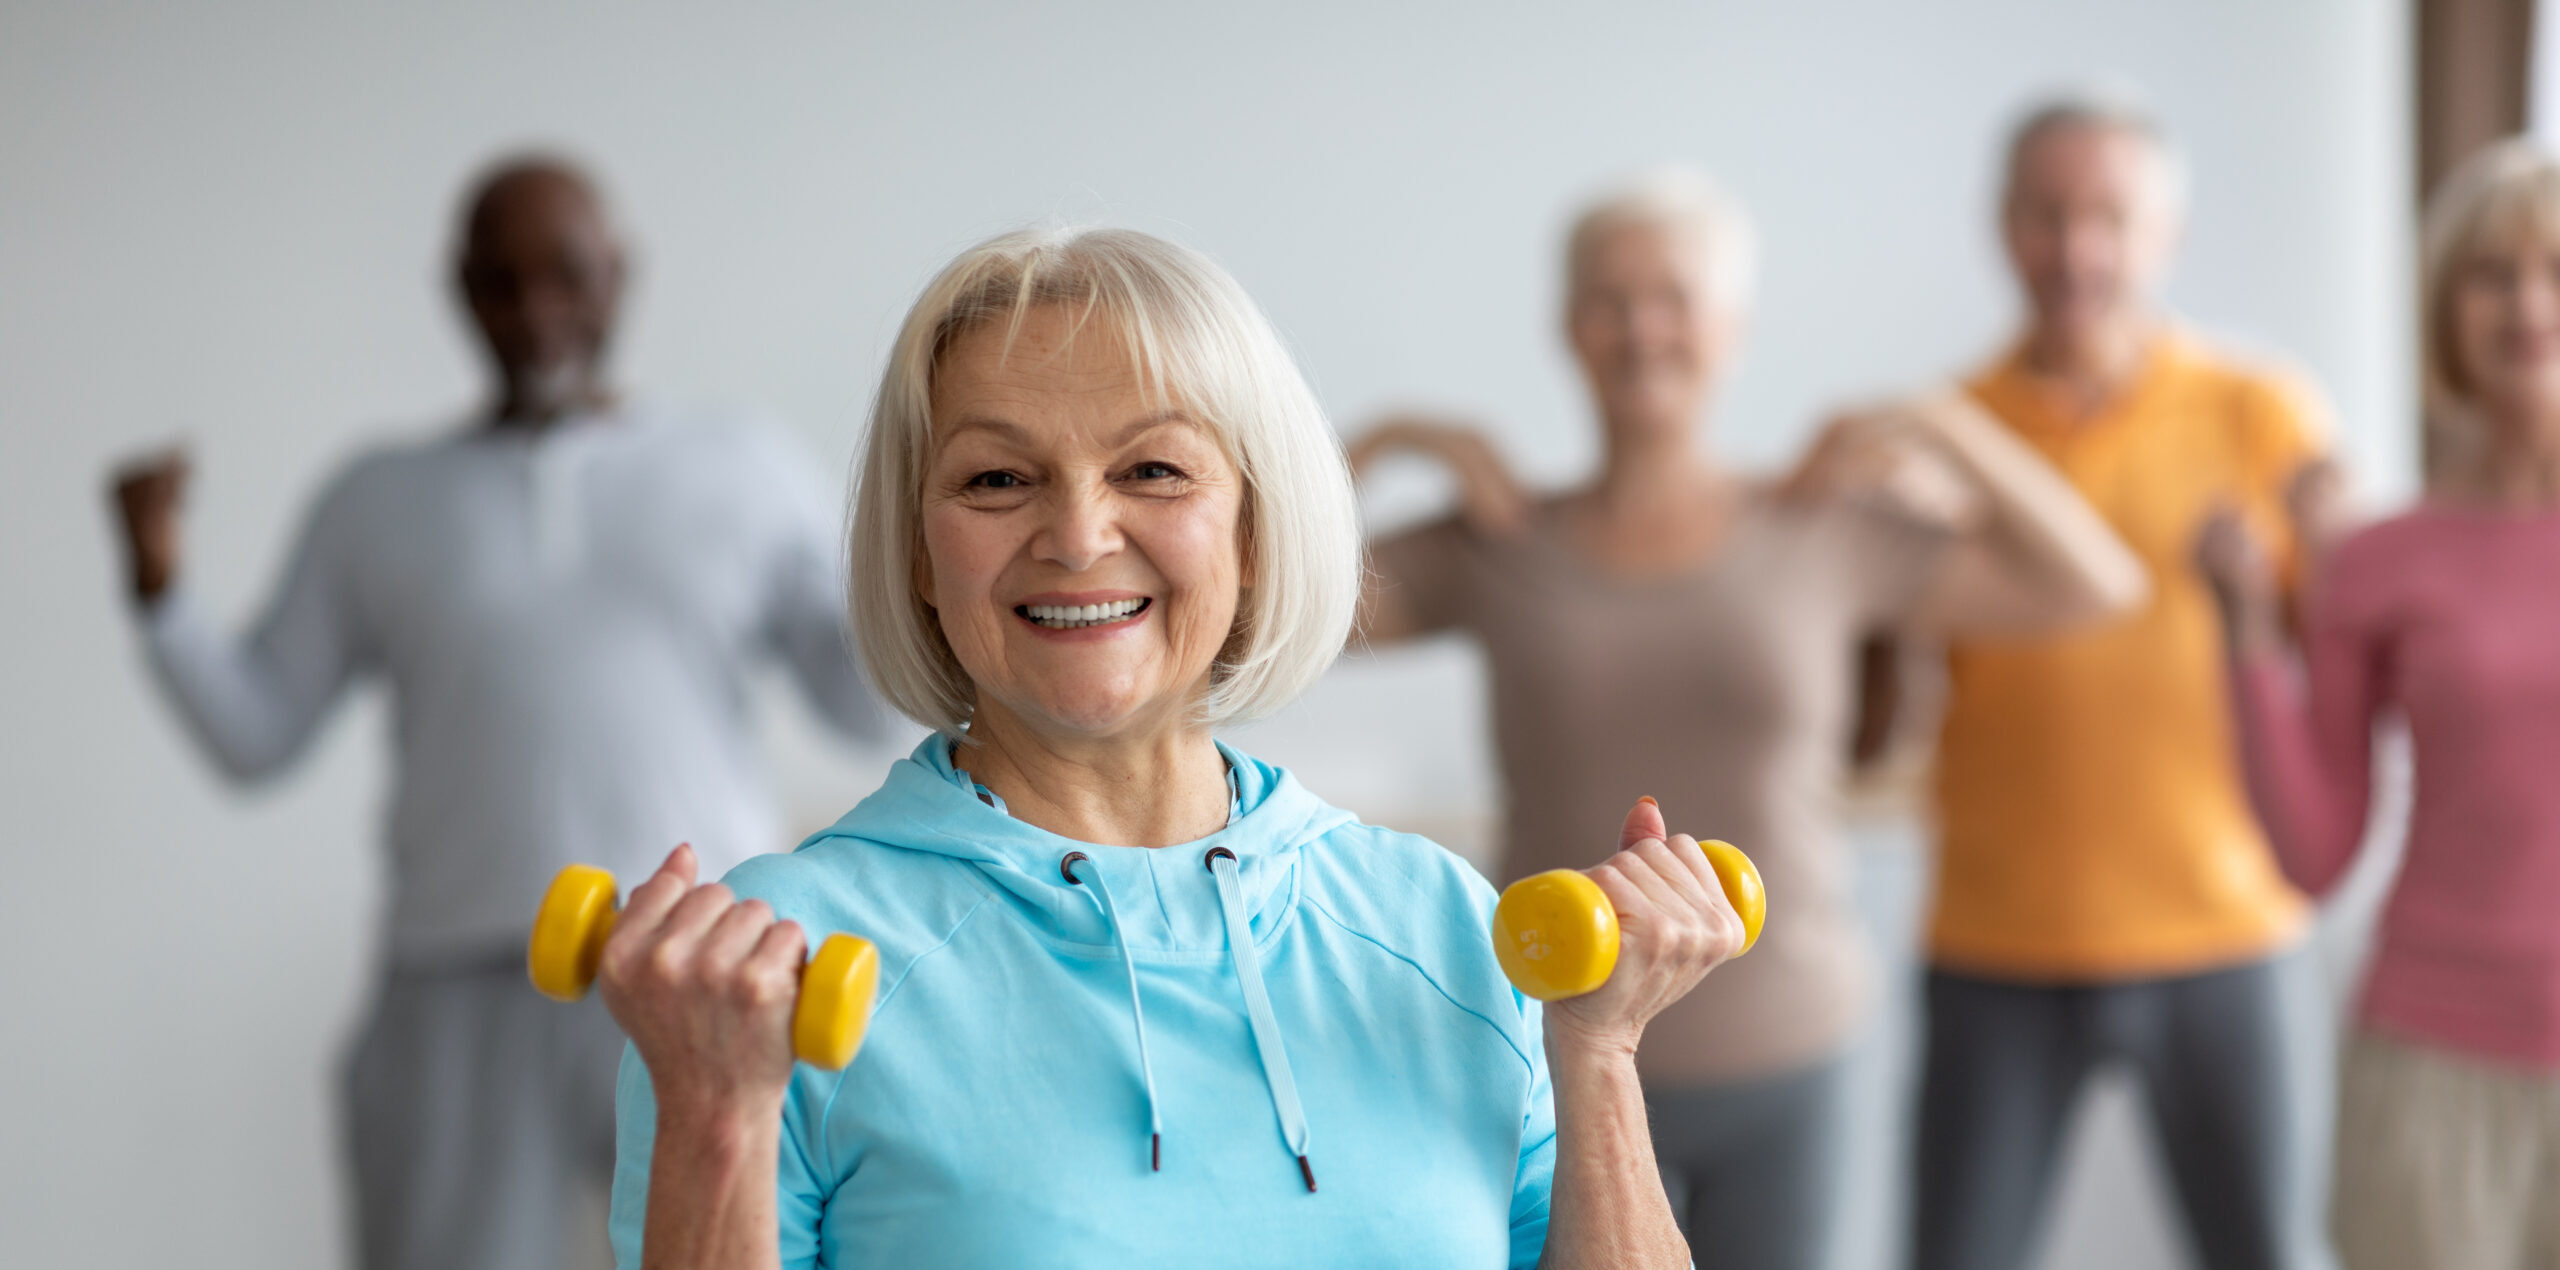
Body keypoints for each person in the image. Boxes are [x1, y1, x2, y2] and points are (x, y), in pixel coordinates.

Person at [597, 225, 1748, 1270]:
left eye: (1151, 469)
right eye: (997, 478)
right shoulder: (771, 974)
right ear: (917, 554)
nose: (1079, 533)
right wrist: (714, 1113)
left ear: (1252, 528)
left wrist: (1596, 1055)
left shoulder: (1439, 927)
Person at [1347, 167, 2148, 1268]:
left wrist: (1935, 423)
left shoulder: (1817, 529)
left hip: (1790, 1052)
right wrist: (1385, 442)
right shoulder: (1499, 540)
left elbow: (2096, 584)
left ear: (1731, 328)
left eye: (1673, 297)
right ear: (1568, 328)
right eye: (1608, 299)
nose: (1641, 329)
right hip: (1544, 1057)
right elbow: (1243, 612)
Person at [104, 157, 885, 1270]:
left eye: (565, 275)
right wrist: (158, 589)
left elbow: (862, 710)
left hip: (702, 967)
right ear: (460, 291)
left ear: (619, 276)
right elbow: (254, 735)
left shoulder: (742, 466)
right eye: (501, 282)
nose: (536, 312)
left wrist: (914, 575)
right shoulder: (377, 497)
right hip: (457, 987)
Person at [1907, 92, 2335, 1270]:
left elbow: (2343, 662)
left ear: (2166, 234)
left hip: (2226, 932)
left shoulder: (2262, 412)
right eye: (2047, 214)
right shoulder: (1950, 434)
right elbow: (1877, 701)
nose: (2076, 248)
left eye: (2108, 215)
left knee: (2268, 1252)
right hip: (1994, 942)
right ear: (2003, 227)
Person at [2198, 137, 2560, 1269]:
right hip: (2430, 1062)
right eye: (2491, 273)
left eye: (2554, 268)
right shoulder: (2377, 560)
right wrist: (2248, 628)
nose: (2527, 303)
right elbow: (2313, 851)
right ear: (2446, 308)